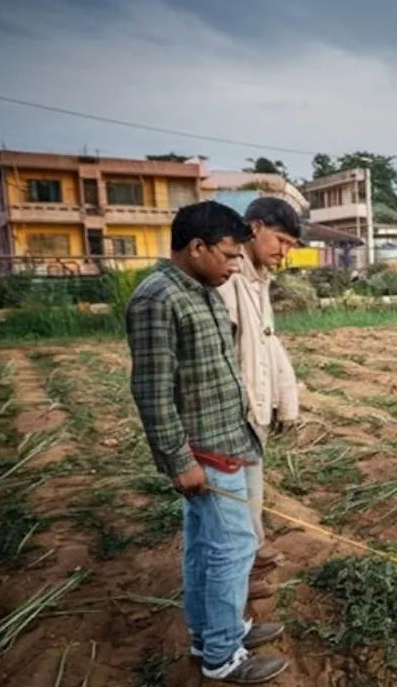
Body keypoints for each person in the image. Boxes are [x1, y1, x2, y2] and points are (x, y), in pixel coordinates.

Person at [125, 201, 286, 683]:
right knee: (232, 546)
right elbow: (151, 392)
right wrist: (178, 461)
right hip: (204, 451)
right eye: (229, 254)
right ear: (196, 247)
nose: (236, 265)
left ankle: (215, 632)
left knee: (205, 547)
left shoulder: (203, 290)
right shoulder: (158, 298)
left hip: (229, 439)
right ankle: (222, 655)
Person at [216, 197, 303, 603]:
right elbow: (224, 356)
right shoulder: (228, 280)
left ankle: (248, 562)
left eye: (290, 245)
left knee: (251, 496)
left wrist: (287, 402)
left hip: (255, 412)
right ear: (254, 228)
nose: (283, 252)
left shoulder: (259, 280)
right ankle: (238, 584)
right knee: (235, 508)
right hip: (233, 415)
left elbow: (269, 346)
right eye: (279, 240)